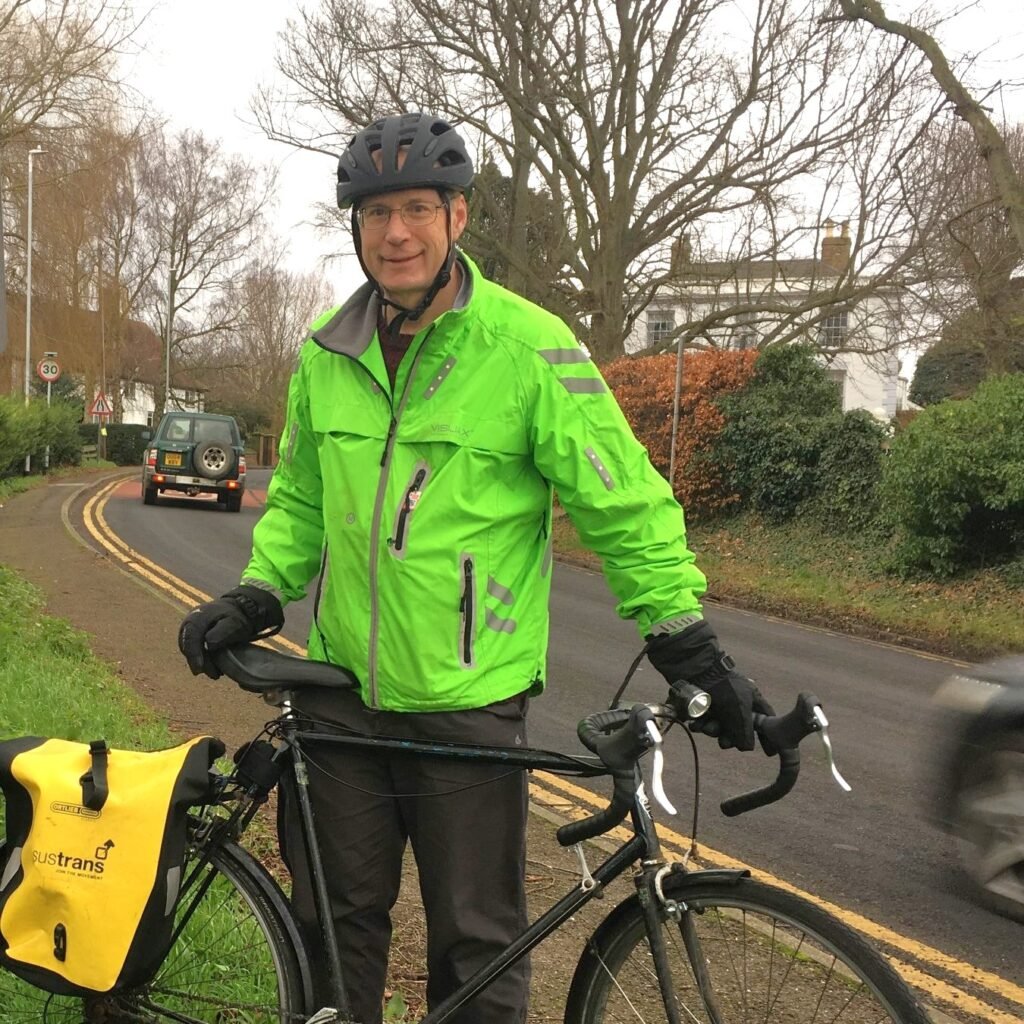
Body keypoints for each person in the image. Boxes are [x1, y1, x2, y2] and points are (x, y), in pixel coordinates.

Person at [178, 111, 773, 1024]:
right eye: (376, 214)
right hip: (340, 692)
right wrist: (260, 591)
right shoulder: (323, 353)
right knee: (332, 929)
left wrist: (681, 635)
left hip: (469, 699)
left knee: (479, 944)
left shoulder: (531, 348)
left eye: (418, 208)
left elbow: (624, 501)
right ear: (356, 228)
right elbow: (299, 499)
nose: (397, 233)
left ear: (458, 217)